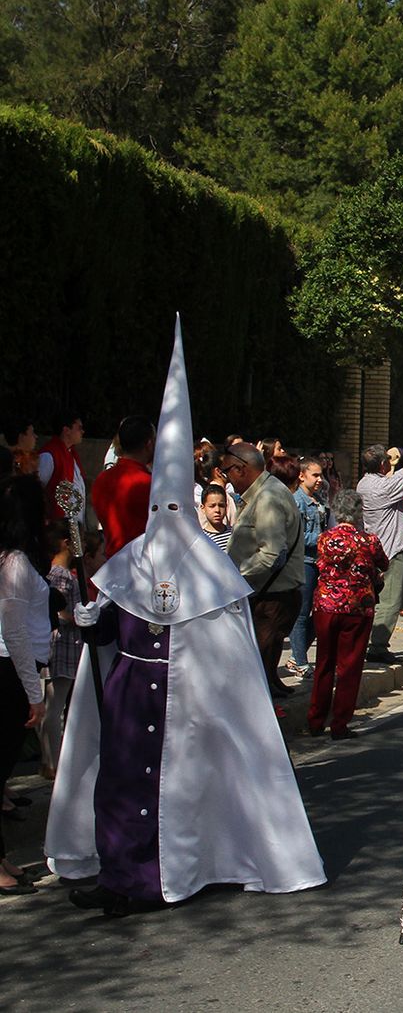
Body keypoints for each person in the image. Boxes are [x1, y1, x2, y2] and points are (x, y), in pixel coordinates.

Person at [46, 318, 324, 915]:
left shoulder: (211, 566)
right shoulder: (132, 558)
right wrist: (81, 616)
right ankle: (123, 876)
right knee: (122, 783)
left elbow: (232, 653)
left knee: (190, 788)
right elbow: (109, 620)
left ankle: (192, 866)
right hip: (131, 692)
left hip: (193, 700)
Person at [222, 442, 304, 698]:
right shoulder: (264, 493)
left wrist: (233, 577)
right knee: (264, 662)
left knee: (256, 669)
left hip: (272, 597)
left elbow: (271, 554)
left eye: (228, 472)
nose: (227, 478)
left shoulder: (268, 497)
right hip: (269, 593)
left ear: (241, 469)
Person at [0, 474, 50, 895]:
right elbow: (13, 630)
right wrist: (33, 692)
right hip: (9, 670)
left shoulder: (13, 559)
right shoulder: (12, 562)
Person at [308, 490, 387, 740]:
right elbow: (383, 563)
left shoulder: (324, 539)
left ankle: (315, 720)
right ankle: (340, 723)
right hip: (356, 608)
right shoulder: (368, 541)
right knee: (349, 667)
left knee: (324, 663)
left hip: (326, 606)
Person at [356, 441, 403, 662]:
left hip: (377, 549)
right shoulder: (383, 488)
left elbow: (396, 480)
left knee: (374, 599)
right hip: (391, 550)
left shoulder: (365, 484)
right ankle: (378, 647)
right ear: (381, 465)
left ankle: (370, 642)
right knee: (390, 601)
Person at [39, 521, 81, 781]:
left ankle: (49, 759)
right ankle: (52, 761)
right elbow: (55, 610)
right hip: (62, 644)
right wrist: (75, 617)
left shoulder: (61, 574)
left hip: (61, 644)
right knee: (55, 706)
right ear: (66, 543)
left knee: (52, 706)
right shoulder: (60, 575)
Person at [90, 415, 155, 557]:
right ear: (149, 444)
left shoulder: (101, 480)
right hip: (142, 564)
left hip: (111, 561)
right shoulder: (150, 484)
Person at [289, 457, 328, 678]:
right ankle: (300, 661)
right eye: (315, 475)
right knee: (302, 614)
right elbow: (298, 535)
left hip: (319, 563)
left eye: (321, 475)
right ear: (302, 476)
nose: (319, 479)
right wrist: (322, 539)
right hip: (304, 563)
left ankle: (297, 655)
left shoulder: (319, 500)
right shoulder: (297, 502)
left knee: (320, 612)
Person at [38, 410, 87, 523]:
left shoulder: (71, 454)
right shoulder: (48, 455)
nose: (83, 431)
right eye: (79, 428)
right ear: (66, 430)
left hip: (73, 525)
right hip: (58, 526)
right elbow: (39, 490)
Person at [199, 484, 232, 549]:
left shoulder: (234, 533)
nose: (217, 510)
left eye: (221, 505)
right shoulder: (202, 539)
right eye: (212, 506)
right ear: (203, 508)